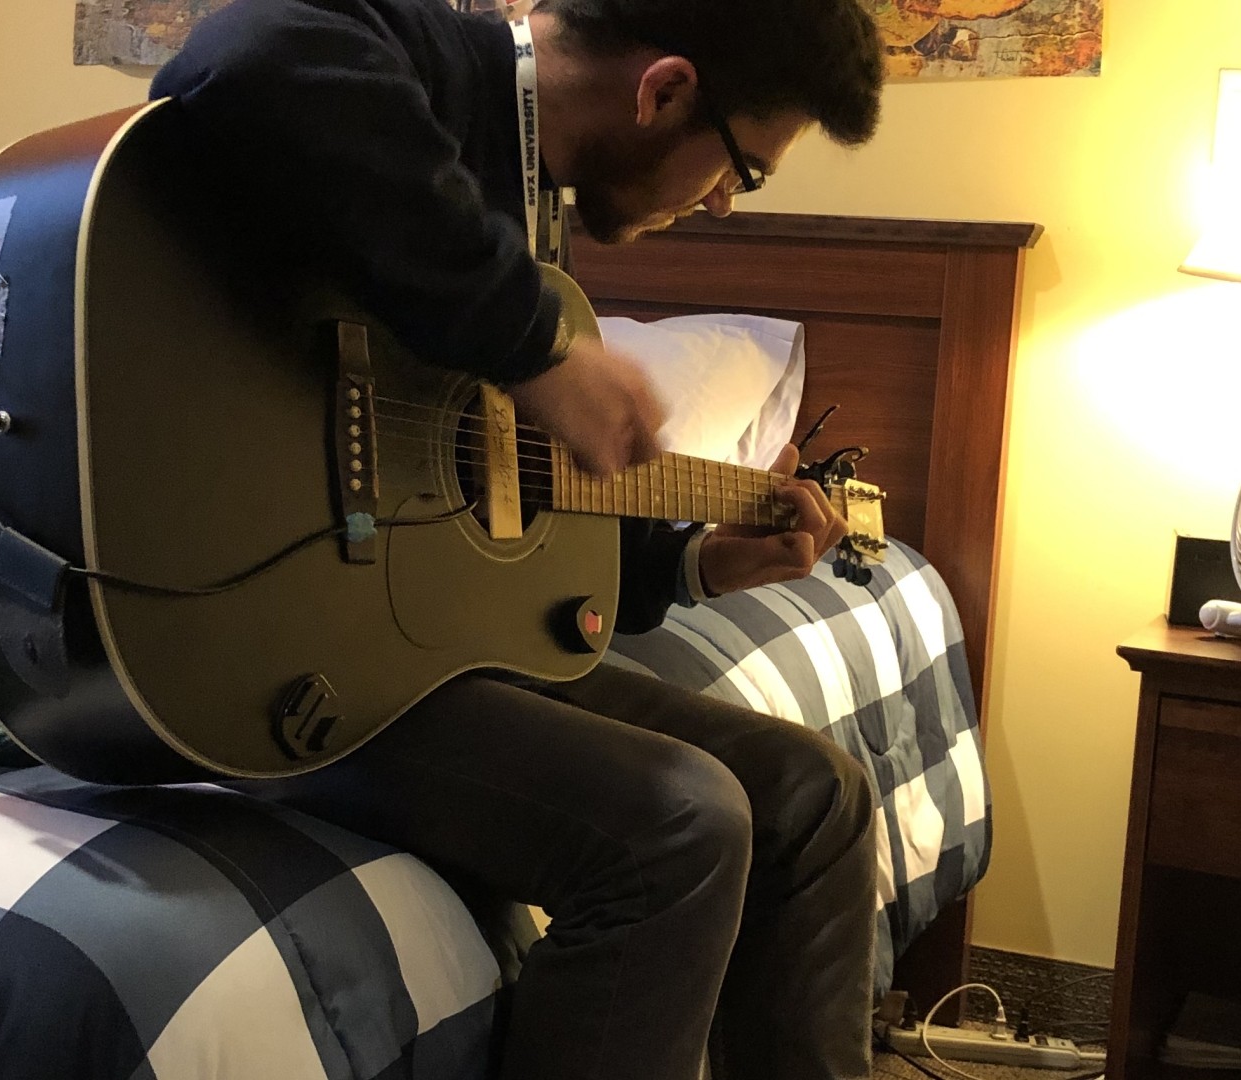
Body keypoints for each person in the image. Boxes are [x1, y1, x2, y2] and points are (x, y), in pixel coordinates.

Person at [151, 1, 887, 1076]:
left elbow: (499, 515)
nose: (724, 204)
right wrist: (534, 342)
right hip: (260, 637)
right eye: (744, 169)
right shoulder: (428, 66)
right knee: (683, 826)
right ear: (665, 89)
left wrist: (693, 560)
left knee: (816, 798)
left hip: (421, 641)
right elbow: (247, 51)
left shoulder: (542, 211)